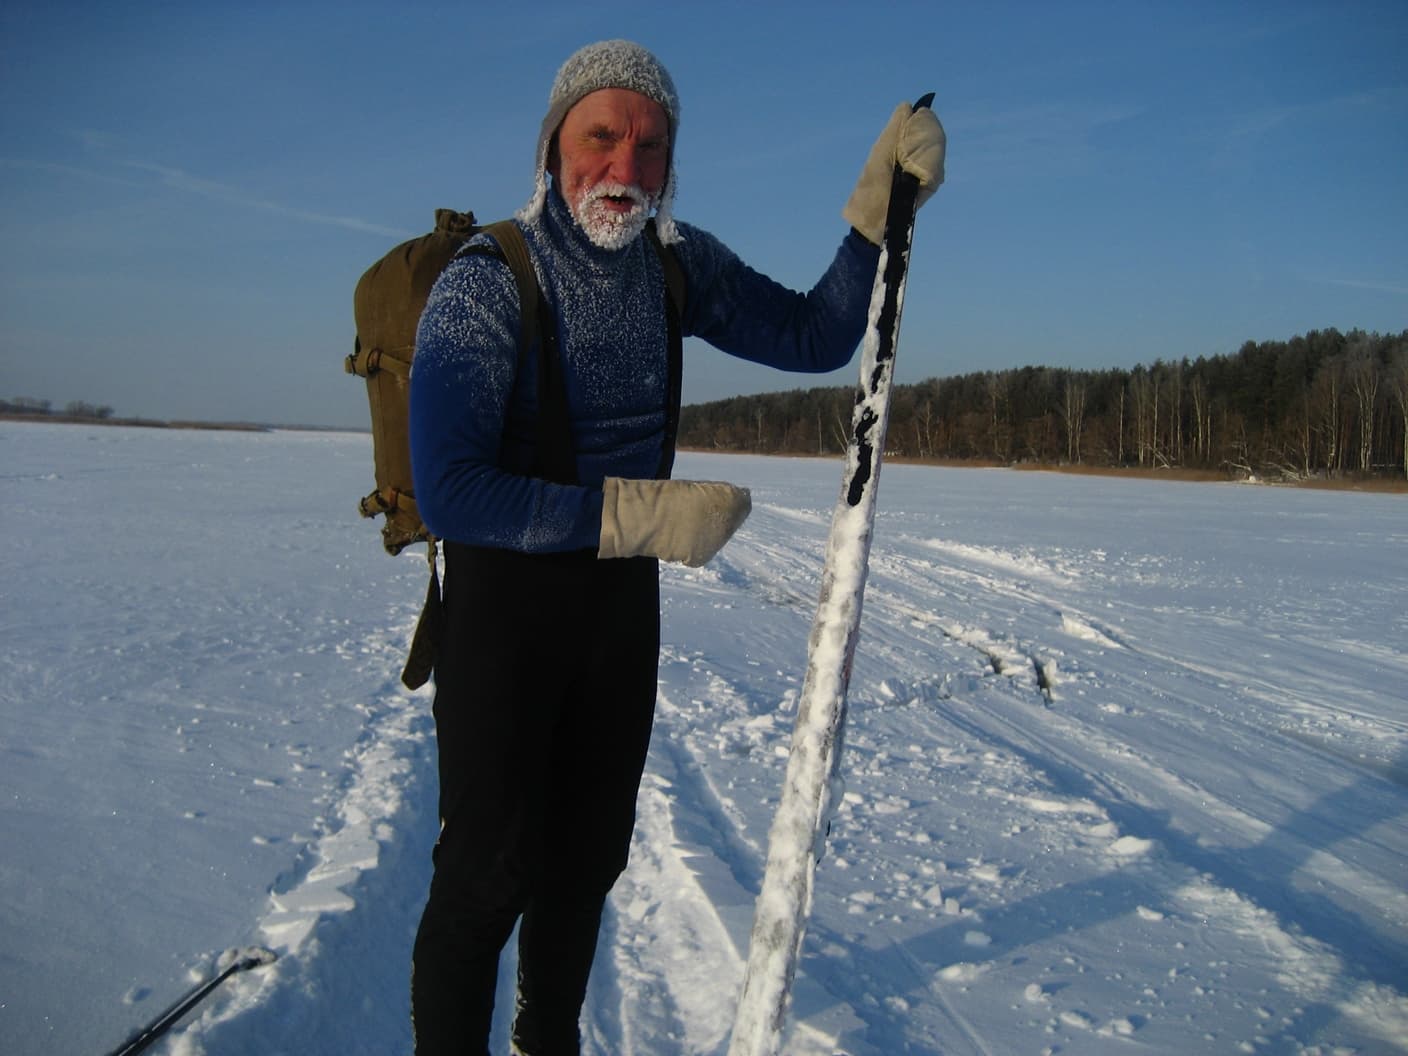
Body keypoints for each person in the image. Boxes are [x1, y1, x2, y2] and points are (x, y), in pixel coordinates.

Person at [406, 39, 944, 1056]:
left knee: (588, 859)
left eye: (650, 147)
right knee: (485, 875)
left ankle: (546, 1039)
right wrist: (641, 518)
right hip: (503, 614)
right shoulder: (485, 281)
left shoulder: (675, 264)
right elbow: (451, 490)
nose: (624, 168)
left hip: (615, 615)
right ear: (552, 146)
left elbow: (815, 337)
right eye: (601, 137)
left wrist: (874, 212)